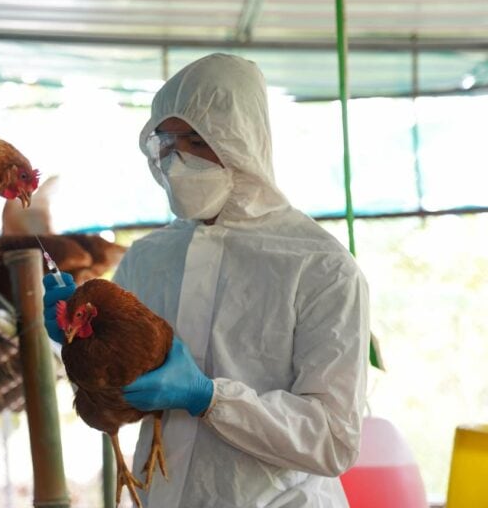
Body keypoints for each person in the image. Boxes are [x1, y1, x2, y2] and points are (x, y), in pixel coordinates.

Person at [43, 53, 370, 507]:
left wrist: (211, 399)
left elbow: (333, 440)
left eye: (197, 140)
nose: (178, 159)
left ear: (242, 141)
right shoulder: (149, 257)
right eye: (167, 141)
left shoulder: (320, 266)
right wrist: (78, 342)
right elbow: (117, 392)